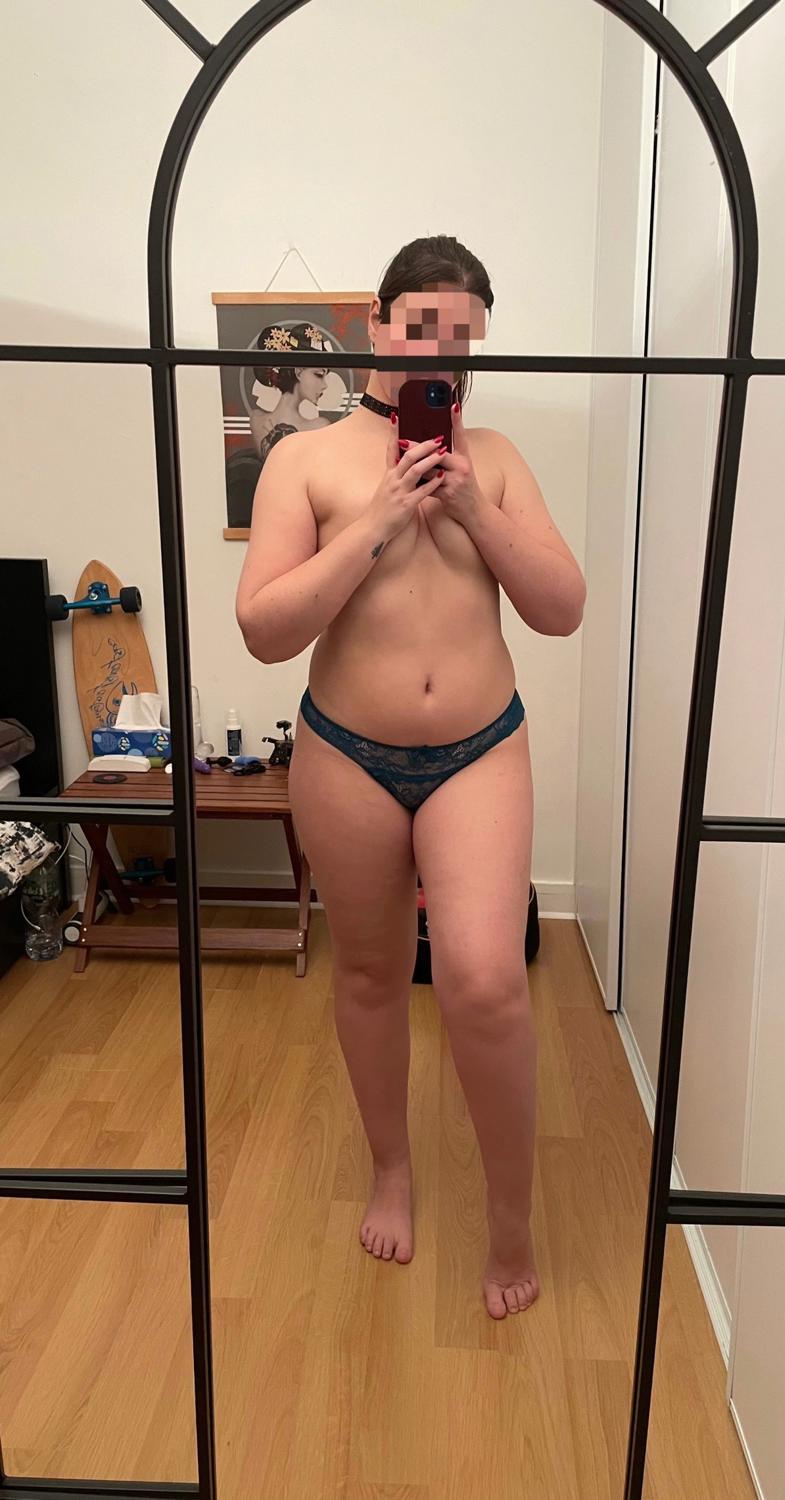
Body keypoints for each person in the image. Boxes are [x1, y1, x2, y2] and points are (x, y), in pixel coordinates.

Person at [235, 235, 586, 1319]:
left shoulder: (498, 459)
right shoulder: (306, 460)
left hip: (480, 748)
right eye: (425, 326)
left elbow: (562, 608)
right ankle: (392, 1169)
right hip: (347, 751)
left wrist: (474, 509)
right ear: (379, 325)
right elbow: (264, 629)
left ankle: (511, 1218)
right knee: (371, 974)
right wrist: (379, 523)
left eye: (463, 336)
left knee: (485, 979)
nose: (444, 351)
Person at [249, 321, 333, 460]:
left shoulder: (256, 420)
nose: (325, 385)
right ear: (298, 372)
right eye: (318, 375)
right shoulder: (319, 427)